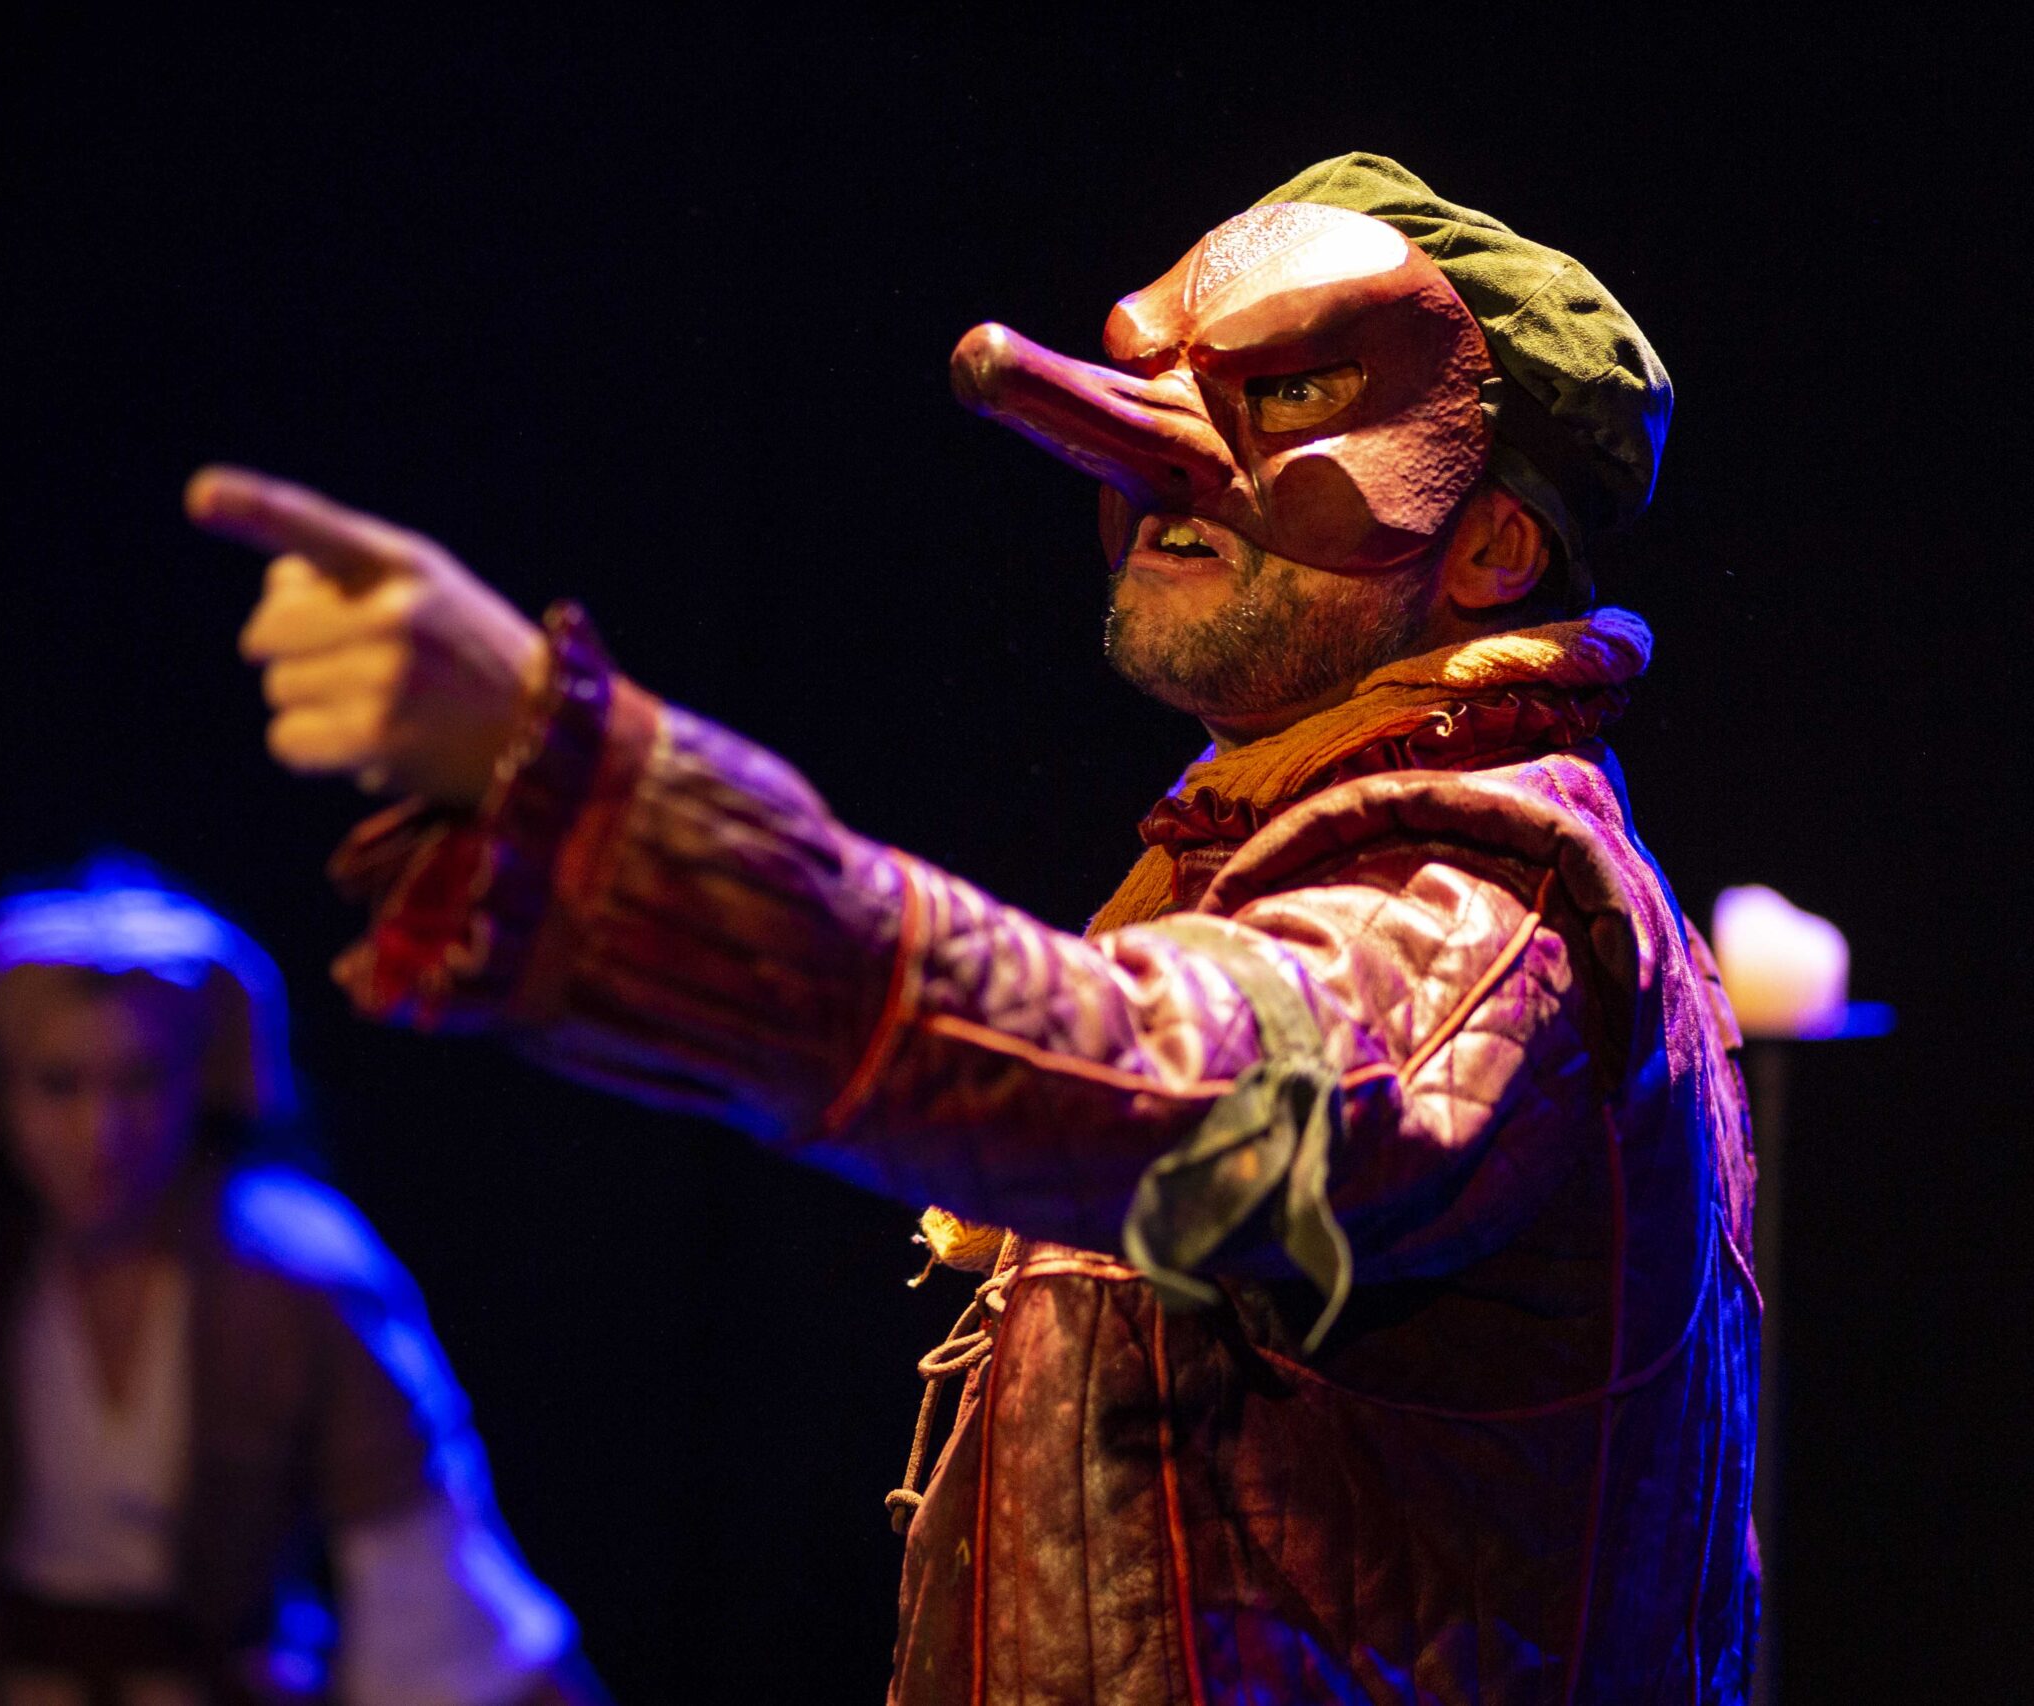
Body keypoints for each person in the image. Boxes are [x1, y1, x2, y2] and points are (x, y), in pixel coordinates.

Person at [187, 152, 1758, 1703]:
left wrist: (587, 782)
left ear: (1491, 549)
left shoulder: (1492, 899)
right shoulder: (1266, 860)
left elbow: (1164, 1084)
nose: (1156, 455)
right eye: (1164, 384)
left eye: (1287, 395)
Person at [0, 864, 607, 1706]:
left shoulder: (298, 1278)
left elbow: (436, 1593)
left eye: (140, 1083)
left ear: (199, 1085)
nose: (103, 1135)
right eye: (60, 1086)